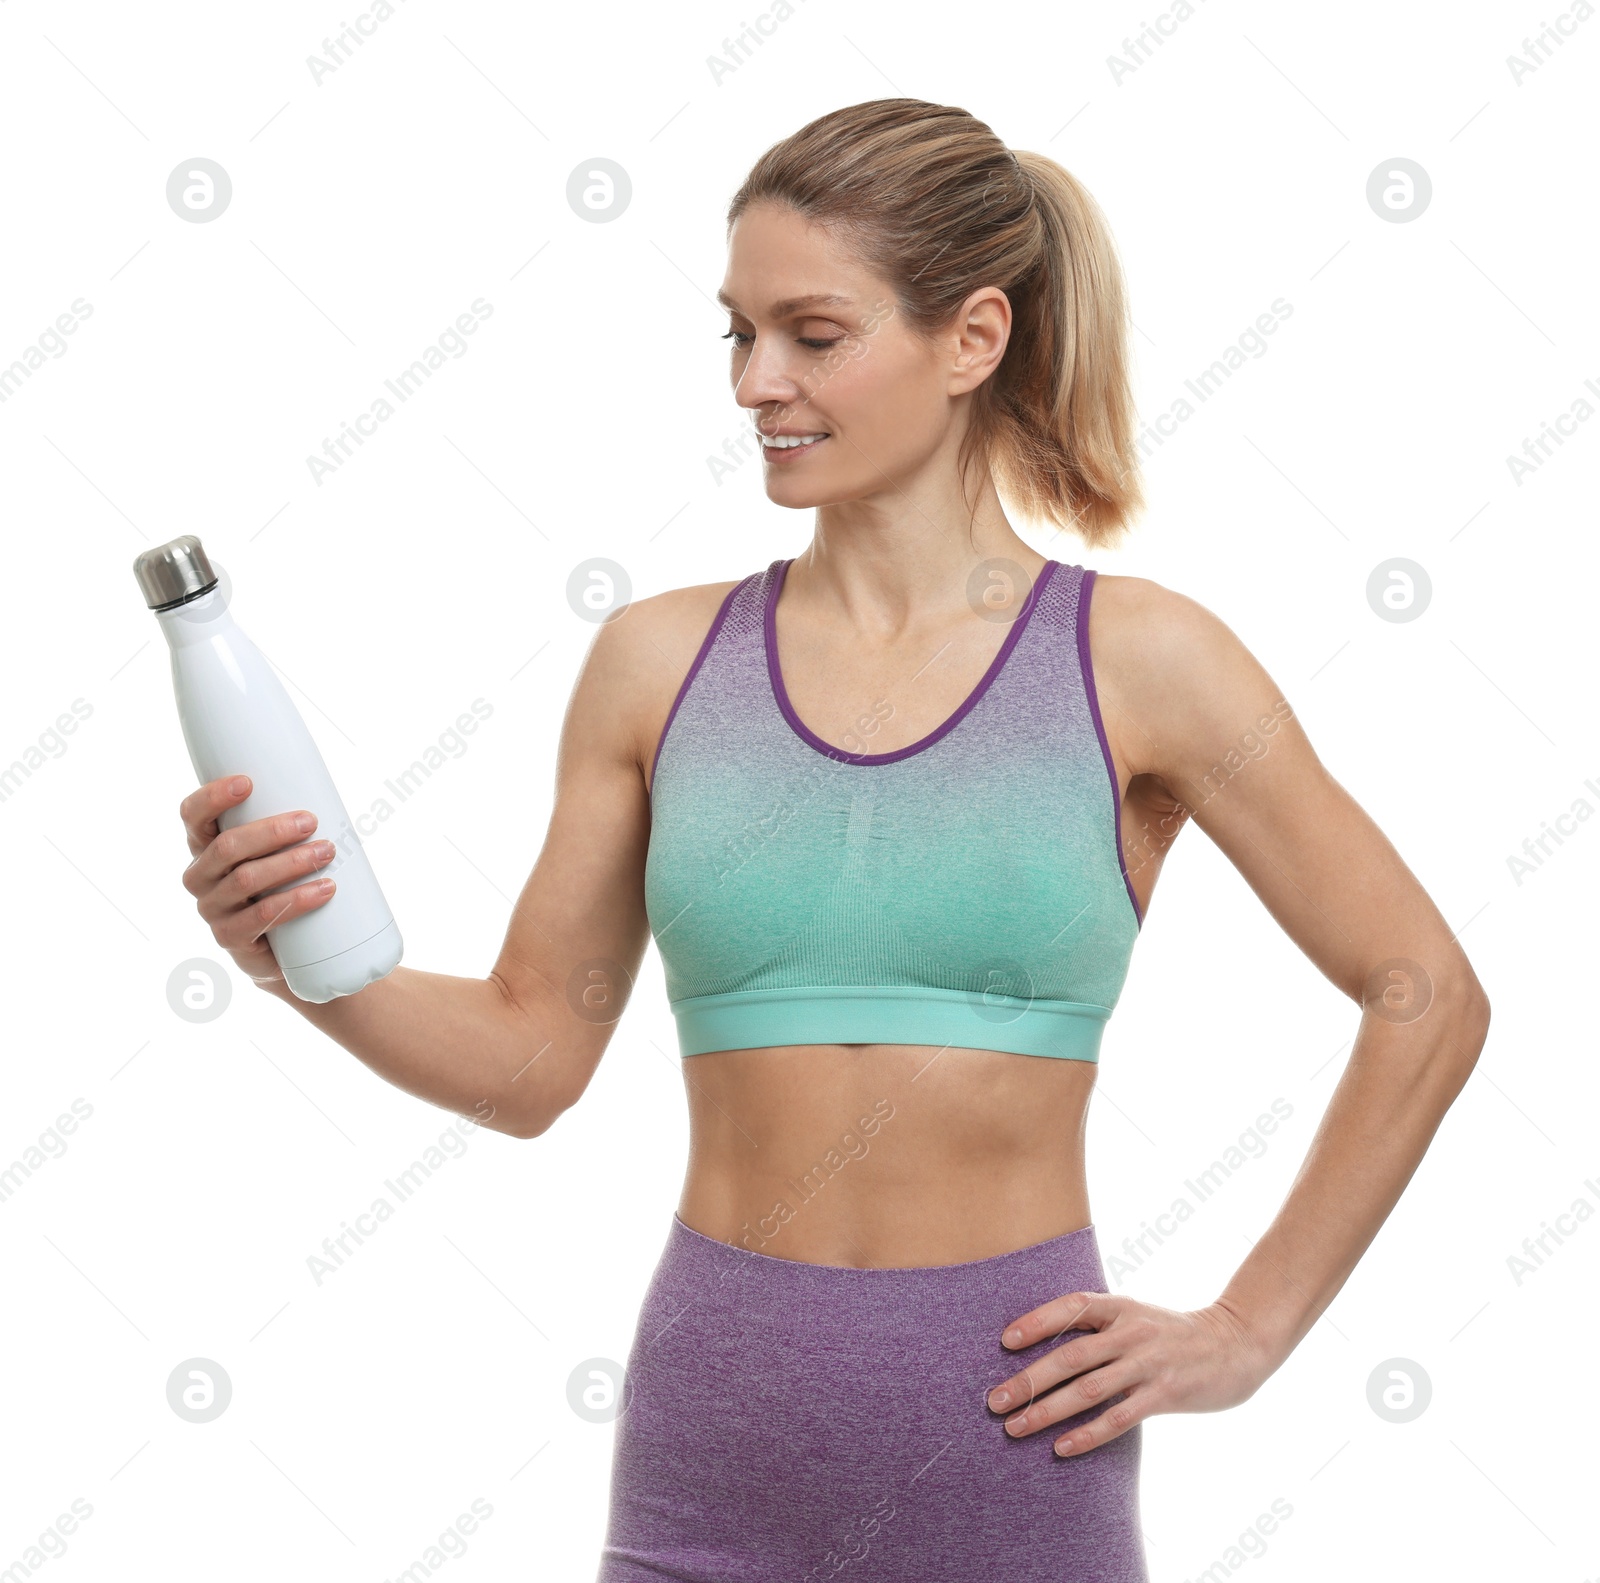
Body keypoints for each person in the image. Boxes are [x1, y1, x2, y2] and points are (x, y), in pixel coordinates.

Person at [175, 98, 1491, 1583]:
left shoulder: (1142, 664)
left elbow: (1424, 990)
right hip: (706, 1461)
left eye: (812, 332)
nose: (756, 382)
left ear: (972, 340)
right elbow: (533, 1060)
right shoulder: (657, 664)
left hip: (1016, 1451)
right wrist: (306, 970)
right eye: (736, 334)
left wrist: (1250, 1329)